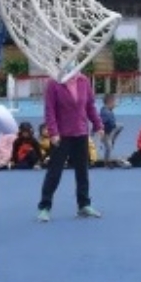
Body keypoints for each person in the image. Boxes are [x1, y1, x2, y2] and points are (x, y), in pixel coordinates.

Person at [36, 72, 104, 222]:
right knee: (54, 172)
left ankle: (84, 205)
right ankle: (44, 207)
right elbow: (50, 110)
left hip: (81, 133)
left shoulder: (83, 80)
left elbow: (90, 106)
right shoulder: (53, 83)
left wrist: (98, 124)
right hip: (61, 135)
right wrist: (53, 132)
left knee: (82, 171)